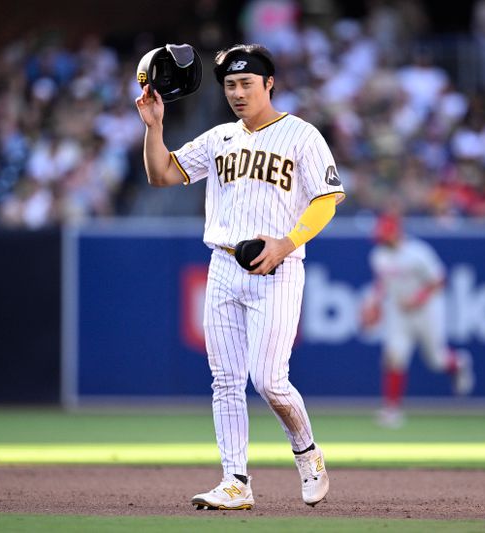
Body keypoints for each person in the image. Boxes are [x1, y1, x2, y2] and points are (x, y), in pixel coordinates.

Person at [135, 43, 345, 510]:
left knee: (269, 380)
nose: (237, 92)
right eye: (230, 84)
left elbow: (327, 198)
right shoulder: (219, 138)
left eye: (246, 83)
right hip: (224, 265)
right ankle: (235, 481)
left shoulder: (301, 135)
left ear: (269, 84)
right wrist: (155, 128)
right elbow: (161, 174)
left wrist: (286, 244)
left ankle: (307, 452)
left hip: (278, 266)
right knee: (226, 380)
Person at [361, 213, 475, 428]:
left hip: (427, 310)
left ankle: (458, 364)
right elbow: (382, 284)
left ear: (395, 232)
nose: (381, 239)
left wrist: (418, 299)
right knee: (394, 356)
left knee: (436, 360)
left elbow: (439, 280)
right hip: (398, 311)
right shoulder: (378, 255)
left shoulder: (418, 252)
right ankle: (391, 410)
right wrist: (373, 304)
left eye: (384, 234)